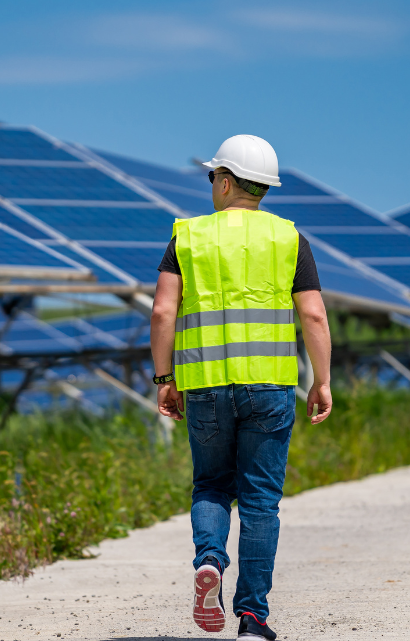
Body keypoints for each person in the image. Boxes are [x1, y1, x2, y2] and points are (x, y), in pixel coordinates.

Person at [150, 135, 333, 640]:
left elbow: (164, 310)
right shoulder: (289, 238)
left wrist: (165, 379)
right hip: (270, 388)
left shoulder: (187, 237)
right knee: (259, 500)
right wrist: (322, 381)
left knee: (211, 485)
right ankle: (252, 618)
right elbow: (313, 314)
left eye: (213, 177)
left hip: (205, 386)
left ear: (225, 180)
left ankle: (209, 561)